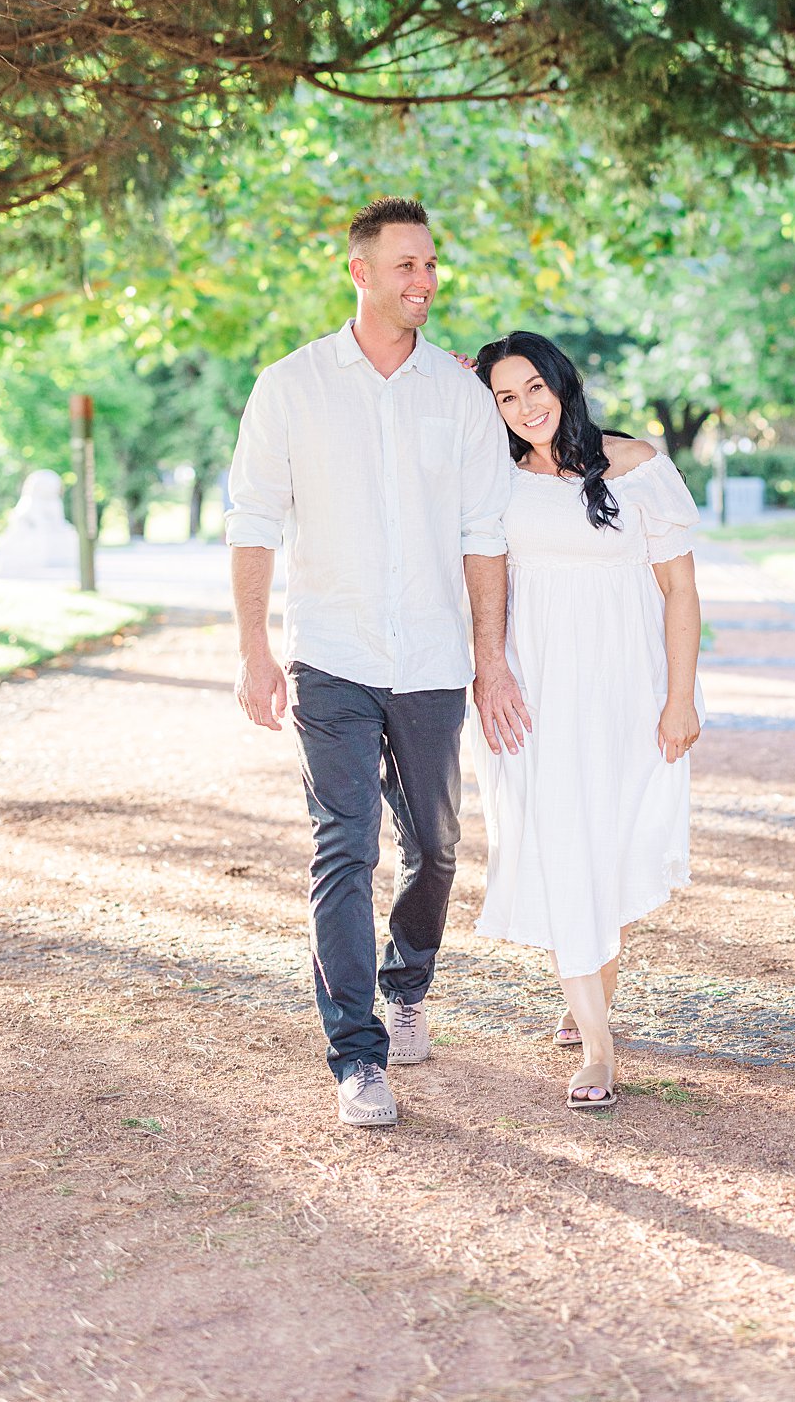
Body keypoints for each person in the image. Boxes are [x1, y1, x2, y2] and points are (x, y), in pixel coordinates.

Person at [227, 196, 529, 1130]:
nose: (425, 281)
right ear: (358, 271)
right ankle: (356, 1053)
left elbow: (486, 535)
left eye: (431, 264)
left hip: (434, 655)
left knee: (436, 846)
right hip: (334, 654)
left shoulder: (461, 394)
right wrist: (253, 649)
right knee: (344, 845)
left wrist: (490, 658)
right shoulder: (290, 385)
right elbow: (252, 521)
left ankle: (408, 983)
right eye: (406, 265)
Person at [468, 331, 704, 1110]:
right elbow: (485, 585)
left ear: (562, 383)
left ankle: (587, 996)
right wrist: (490, 671)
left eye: (535, 386)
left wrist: (680, 696)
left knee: (607, 843)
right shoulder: (495, 480)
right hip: (535, 692)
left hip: (624, 689)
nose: (526, 407)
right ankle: (598, 1046)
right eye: (506, 396)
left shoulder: (634, 466)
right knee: (559, 839)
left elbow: (679, 593)